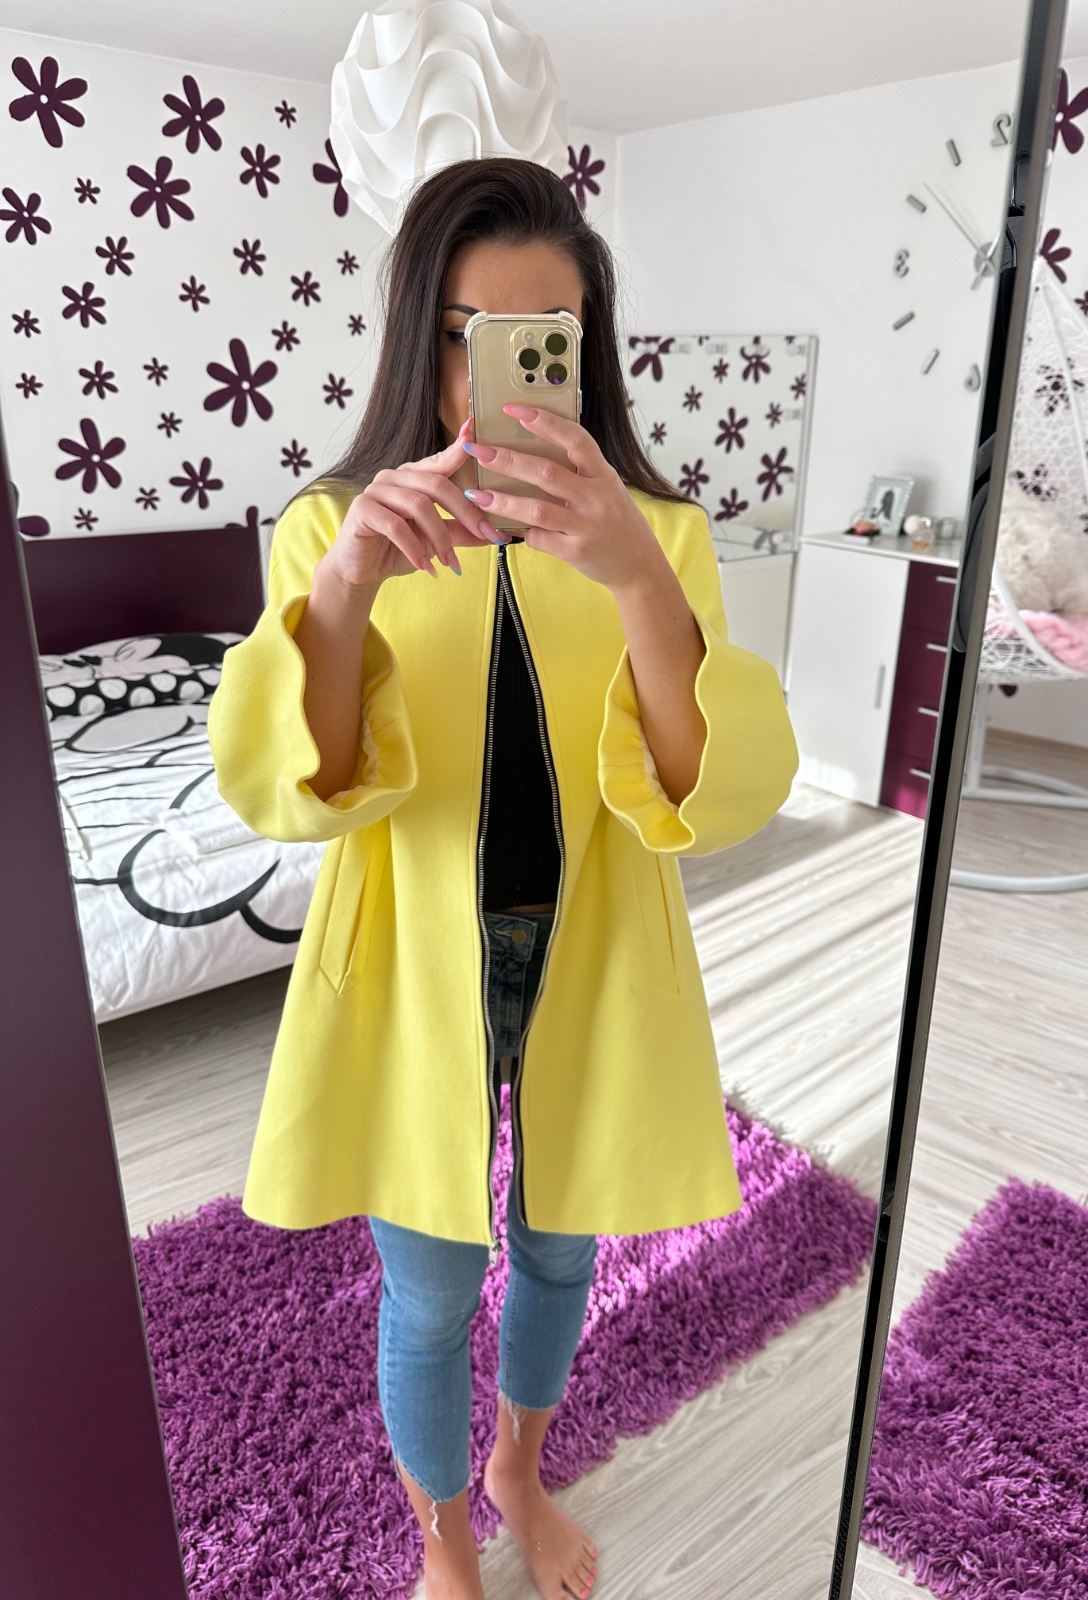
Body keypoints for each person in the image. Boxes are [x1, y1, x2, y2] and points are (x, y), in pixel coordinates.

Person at [208, 156, 798, 1600]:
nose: (508, 379)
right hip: (412, 973)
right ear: (425, 339)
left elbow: (711, 791)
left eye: (548, 340)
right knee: (428, 1292)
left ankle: (522, 1473)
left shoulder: (661, 537)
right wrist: (346, 582)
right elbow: (296, 783)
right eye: (474, 337)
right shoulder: (333, 527)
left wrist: (638, 579)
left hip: (596, 961)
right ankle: (442, 1534)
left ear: (585, 350)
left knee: (556, 1256)